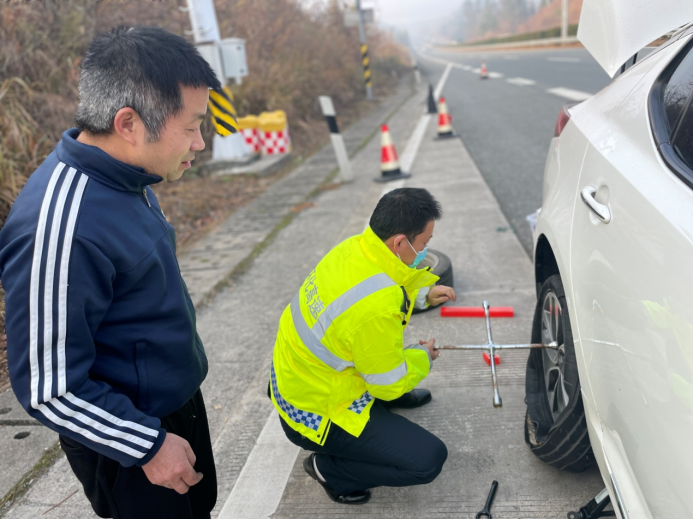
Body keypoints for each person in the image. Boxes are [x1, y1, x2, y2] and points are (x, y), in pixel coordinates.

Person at [0, 26, 221, 519]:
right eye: (191, 127)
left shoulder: (128, 175)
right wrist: (147, 445)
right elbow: (48, 386)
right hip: (128, 438)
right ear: (128, 123)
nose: (200, 142)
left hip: (177, 402)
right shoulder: (59, 225)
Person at [269, 187, 456, 505]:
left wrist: (422, 295)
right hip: (316, 412)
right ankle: (330, 471)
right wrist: (423, 356)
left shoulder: (353, 249)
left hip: (297, 381)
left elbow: (380, 283)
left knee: (381, 356)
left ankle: (376, 413)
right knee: (428, 459)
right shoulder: (376, 307)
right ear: (400, 242)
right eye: (424, 243)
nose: (425, 250)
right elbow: (388, 384)